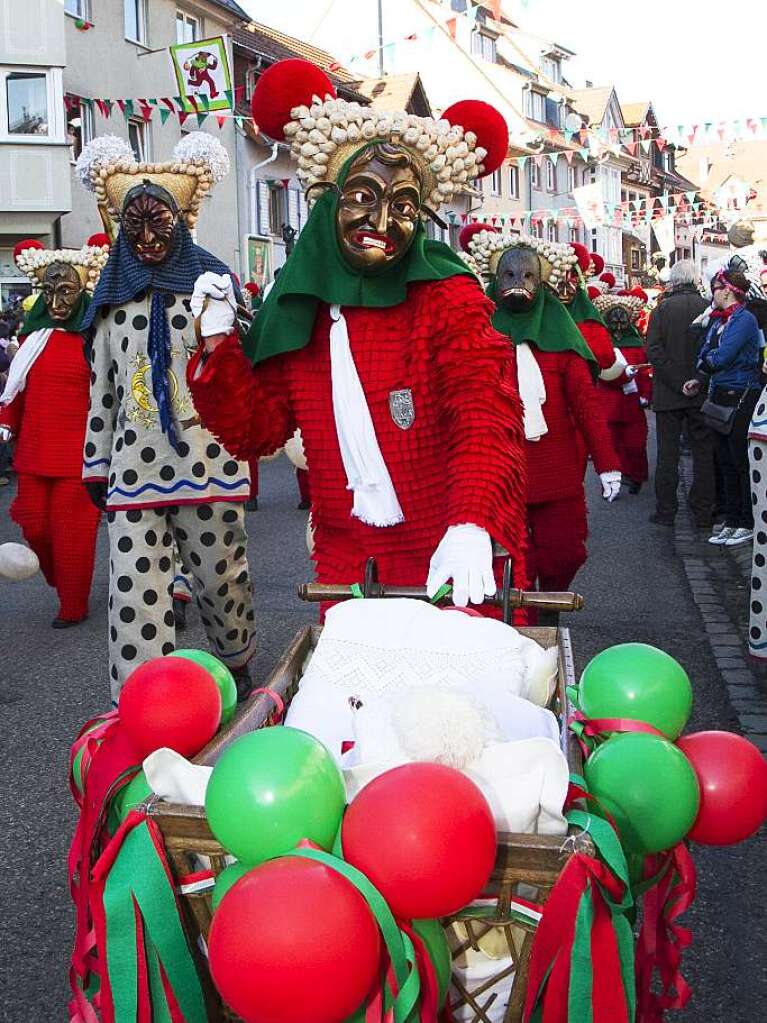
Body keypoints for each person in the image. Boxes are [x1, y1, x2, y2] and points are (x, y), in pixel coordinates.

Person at [188, 58, 528, 607]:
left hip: (453, 550)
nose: (382, 222)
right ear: (331, 203)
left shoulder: (448, 295)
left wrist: (472, 522)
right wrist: (217, 345)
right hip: (350, 561)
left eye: (404, 206)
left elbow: (483, 417)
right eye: (364, 198)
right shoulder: (301, 304)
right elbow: (258, 433)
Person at [76, 131, 256, 699]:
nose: (149, 239)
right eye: (136, 230)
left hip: (210, 463)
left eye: (161, 225)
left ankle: (237, 660)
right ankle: (145, 694)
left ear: (181, 222)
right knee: (133, 589)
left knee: (220, 578)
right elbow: (103, 394)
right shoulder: (111, 302)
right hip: (134, 469)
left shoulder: (213, 286)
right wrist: (94, 464)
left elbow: (241, 375)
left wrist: (248, 444)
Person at [461, 227, 620, 592]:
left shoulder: (562, 342)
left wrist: (608, 464)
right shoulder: (476, 335)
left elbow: (586, 407)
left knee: (565, 554)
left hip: (556, 472)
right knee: (510, 566)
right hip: (495, 472)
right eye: (510, 275)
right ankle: (524, 623)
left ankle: (548, 605)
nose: (519, 282)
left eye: (528, 275)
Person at [0, 235, 110, 625]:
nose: (57, 301)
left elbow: (110, 397)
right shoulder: (33, 340)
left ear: (83, 293)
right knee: (33, 526)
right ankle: (59, 580)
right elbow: (16, 388)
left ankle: (73, 604)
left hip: (80, 456)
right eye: (49, 291)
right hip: (33, 452)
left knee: (73, 537)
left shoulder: (97, 338)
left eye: (66, 291)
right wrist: (5, 424)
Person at [683, 264, 762, 547]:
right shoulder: (718, 320)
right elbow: (704, 353)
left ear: (728, 291)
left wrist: (709, 361)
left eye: (715, 289)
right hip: (720, 393)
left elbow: (722, 357)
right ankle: (731, 519)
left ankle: (746, 520)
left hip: (741, 393)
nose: (711, 294)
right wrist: (701, 374)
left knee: (739, 460)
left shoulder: (744, 320)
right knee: (725, 461)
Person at [646, 260, 712, 528]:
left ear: (674, 280)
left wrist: (677, 381)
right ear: (695, 279)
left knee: (668, 455)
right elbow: (713, 348)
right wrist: (695, 380)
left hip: (668, 393)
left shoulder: (662, 309)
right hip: (700, 392)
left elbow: (653, 349)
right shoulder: (707, 308)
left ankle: (666, 511)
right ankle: (704, 512)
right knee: (703, 454)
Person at [594, 290, 652, 494]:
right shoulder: (603, 344)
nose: (618, 328)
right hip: (608, 402)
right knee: (611, 444)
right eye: (615, 323)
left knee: (635, 443)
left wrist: (645, 394)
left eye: (622, 323)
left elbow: (644, 372)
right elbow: (599, 371)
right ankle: (612, 479)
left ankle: (635, 475)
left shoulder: (636, 345)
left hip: (631, 402)